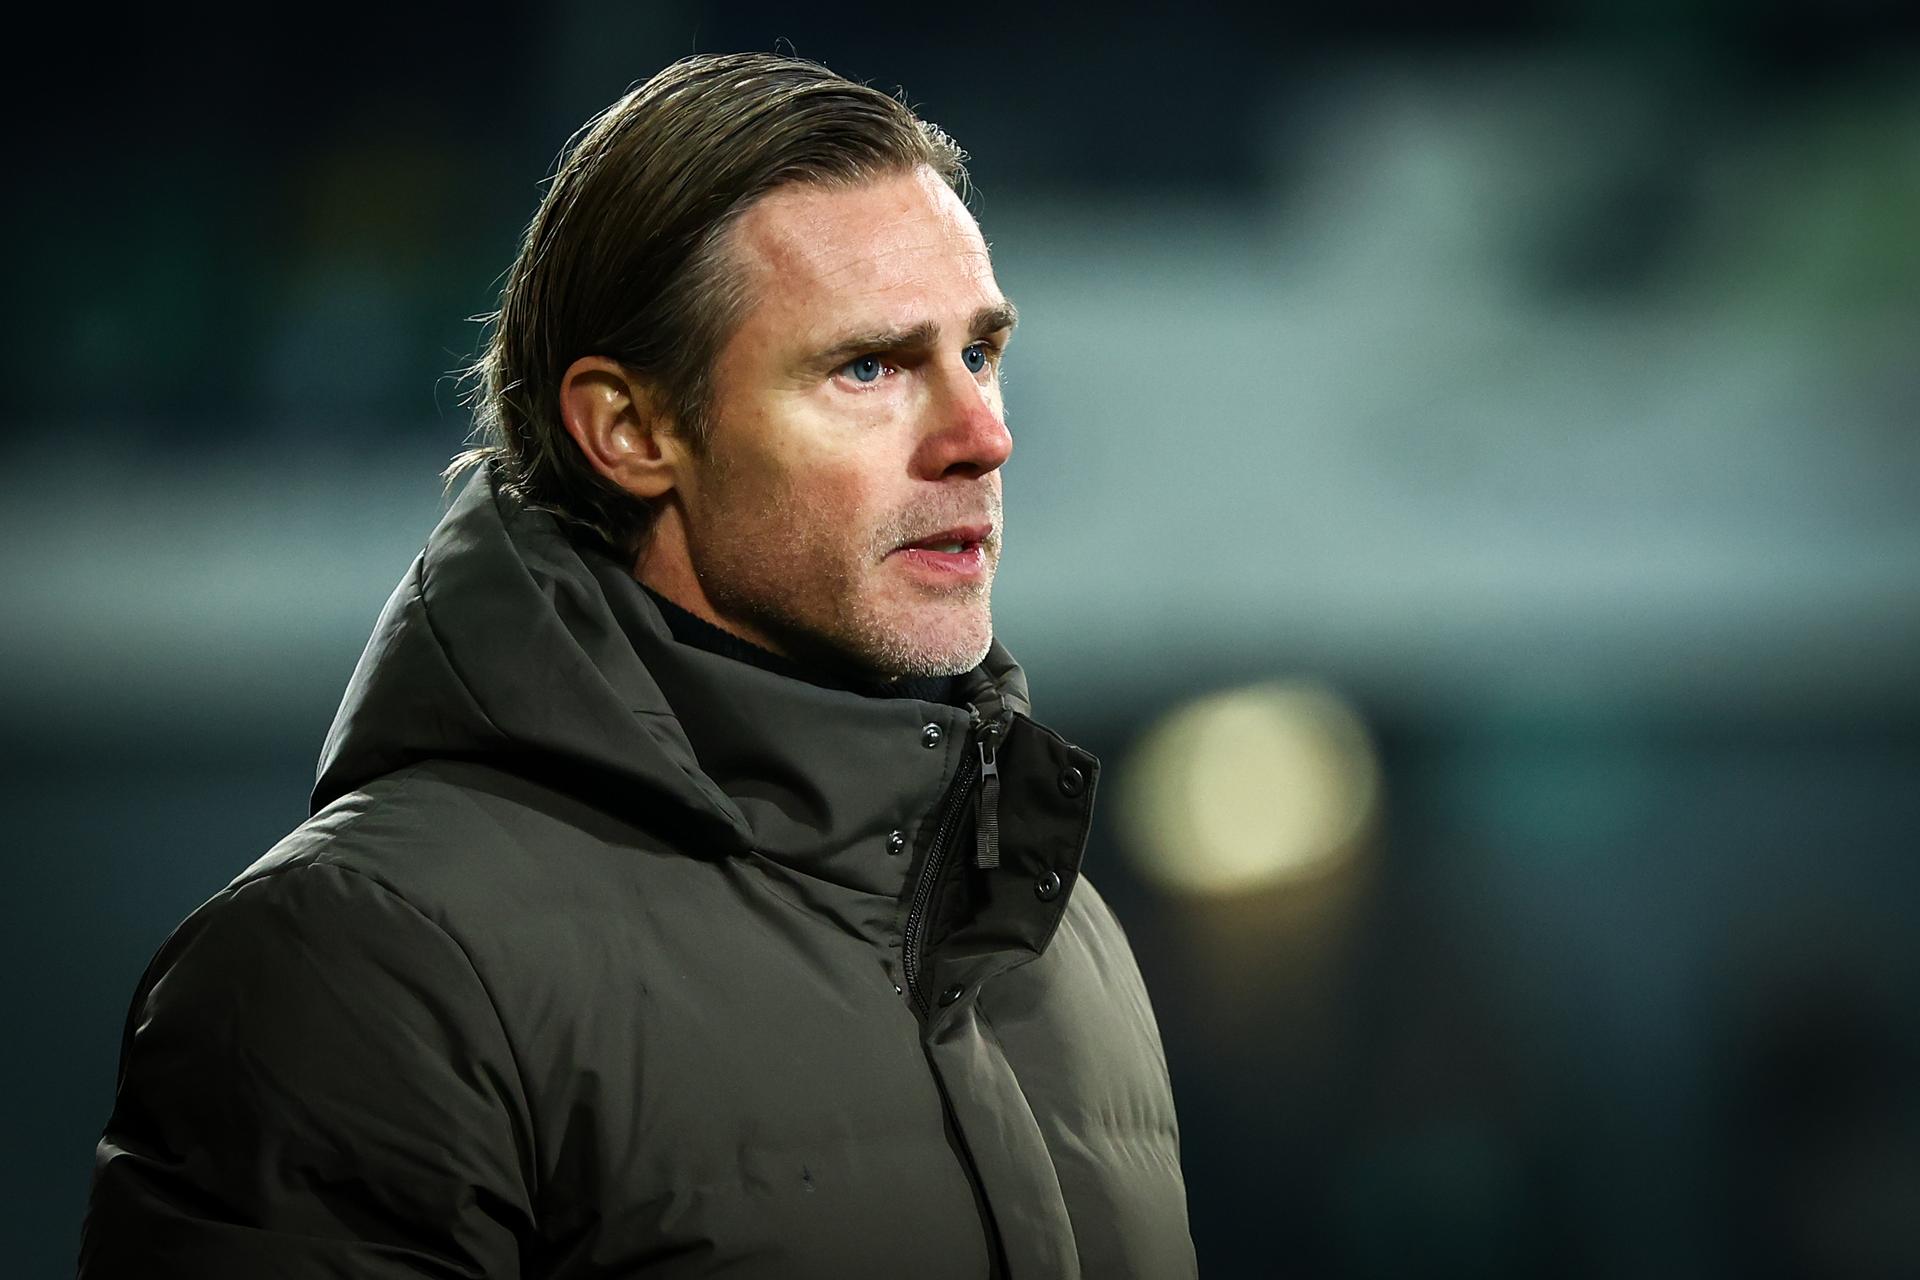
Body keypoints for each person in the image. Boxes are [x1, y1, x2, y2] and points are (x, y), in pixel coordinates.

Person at [81, 53, 1195, 1279]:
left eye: (979, 353)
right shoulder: (362, 961)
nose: (982, 435)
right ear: (630, 430)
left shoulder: (1054, 926)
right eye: (868, 367)